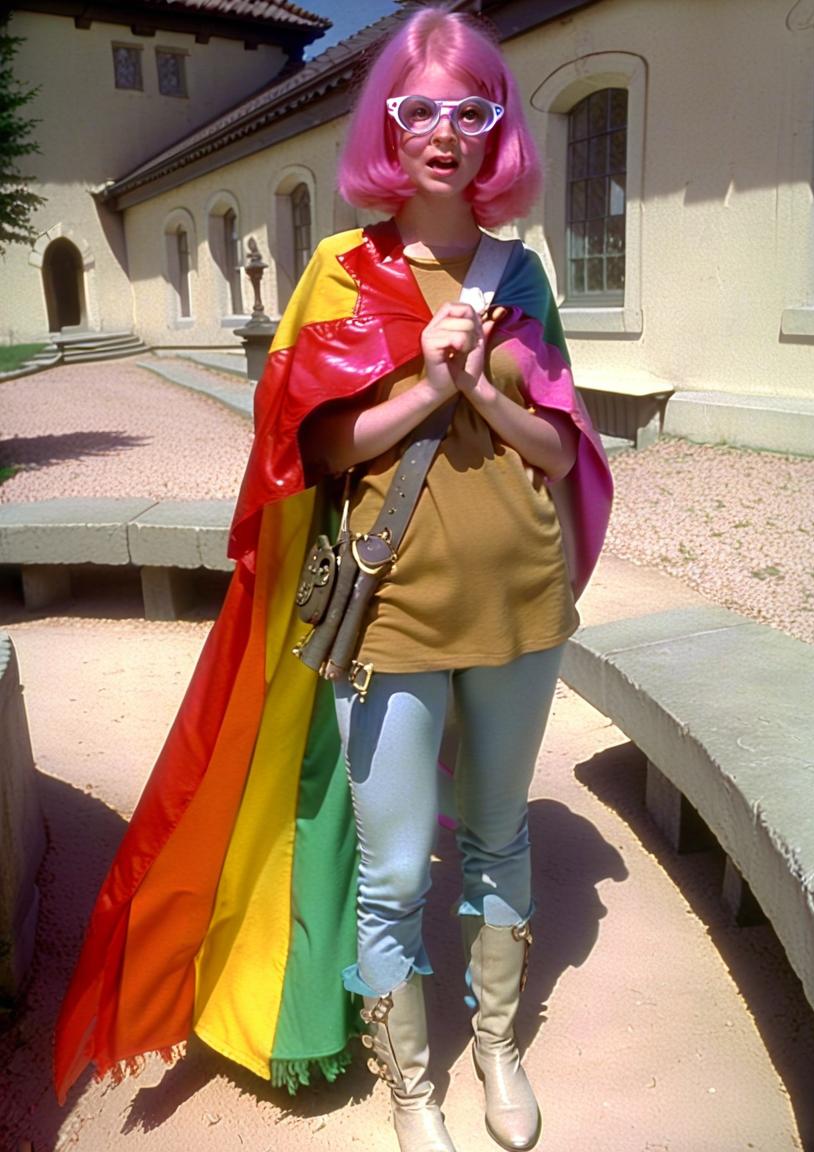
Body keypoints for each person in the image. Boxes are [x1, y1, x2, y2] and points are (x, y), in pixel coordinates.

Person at [54, 8, 612, 1152]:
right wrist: (422, 378)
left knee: (498, 842)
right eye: (419, 110)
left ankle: (497, 1047)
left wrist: (488, 394)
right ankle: (413, 1088)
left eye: (470, 109)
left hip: (520, 604)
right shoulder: (337, 268)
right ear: (388, 128)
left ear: (495, 127)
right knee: (395, 870)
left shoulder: (526, 275)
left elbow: (562, 450)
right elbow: (307, 448)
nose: (444, 132)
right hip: (389, 612)